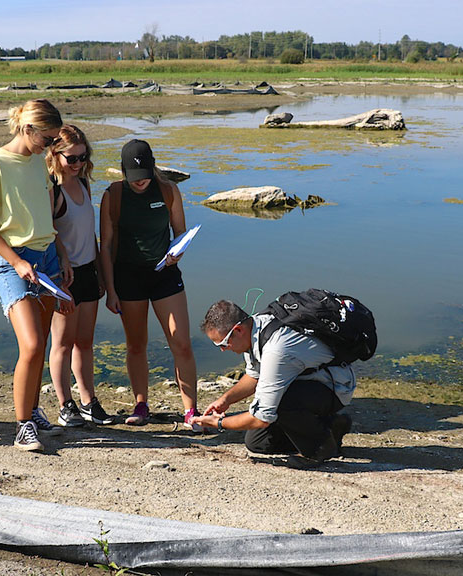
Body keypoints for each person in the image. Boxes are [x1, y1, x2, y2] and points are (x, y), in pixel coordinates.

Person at [0, 98, 66, 452]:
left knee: (40, 344)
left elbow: (45, 217)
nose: (51, 146)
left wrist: (63, 258)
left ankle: (32, 410)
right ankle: (22, 425)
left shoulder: (39, 164)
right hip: (12, 260)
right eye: (48, 138)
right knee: (29, 345)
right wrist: (16, 261)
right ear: (28, 129)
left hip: (47, 259)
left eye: (55, 139)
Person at [99, 139, 199, 428]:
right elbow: (105, 246)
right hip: (128, 277)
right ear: (123, 172)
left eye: (144, 177)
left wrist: (176, 254)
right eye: (133, 178)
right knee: (136, 344)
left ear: (153, 169)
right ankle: (141, 404)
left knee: (181, 342)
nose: (139, 183)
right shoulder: (113, 195)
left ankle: (191, 411)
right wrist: (111, 290)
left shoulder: (168, 190)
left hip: (164, 274)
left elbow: (180, 233)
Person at [193, 300, 354, 463]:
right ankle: (330, 426)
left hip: (333, 387)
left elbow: (261, 418)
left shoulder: (276, 351)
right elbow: (254, 376)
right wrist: (225, 400)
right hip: (302, 381)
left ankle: (320, 449)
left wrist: (219, 423)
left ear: (238, 329)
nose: (222, 349)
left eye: (223, 343)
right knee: (258, 443)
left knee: (281, 404)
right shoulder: (253, 328)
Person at [45, 125, 115, 427]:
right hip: (64, 276)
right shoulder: (52, 189)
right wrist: (59, 278)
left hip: (88, 271)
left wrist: (100, 273)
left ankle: (88, 401)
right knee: (62, 342)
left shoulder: (84, 183)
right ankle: (65, 405)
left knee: (85, 342)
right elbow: (47, 236)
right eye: (71, 158)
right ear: (55, 155)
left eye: (82, 157)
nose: (77, 164)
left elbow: (93, 236)